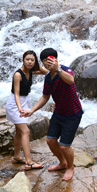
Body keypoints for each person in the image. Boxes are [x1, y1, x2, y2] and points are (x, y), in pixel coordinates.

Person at [23, 48, 83, 181]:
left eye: (49, 60)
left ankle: (70, 167)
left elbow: (70, 80)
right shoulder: (48, 77)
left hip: (72, 114)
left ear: (55, 59)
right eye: (44, 61)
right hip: (59, 112)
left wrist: (58, 69)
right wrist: (32, 110)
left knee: (64, 146)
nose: (47, 63)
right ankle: (62, 163)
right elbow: (45, 97)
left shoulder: (66, 70)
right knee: (50, 140)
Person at [5, 50, 48, 170]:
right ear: (23, 60)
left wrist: (37, 66)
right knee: (26, 131)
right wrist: (19, 109)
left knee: (19, 132)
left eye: (32, 60)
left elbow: (47, 72)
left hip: (25, 101)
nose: (29, 62)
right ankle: (29, 162)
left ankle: (17, 157)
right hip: (15, 104)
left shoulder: (31, 71)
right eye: (27, 59)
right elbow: (16, 94)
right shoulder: (18, 74)